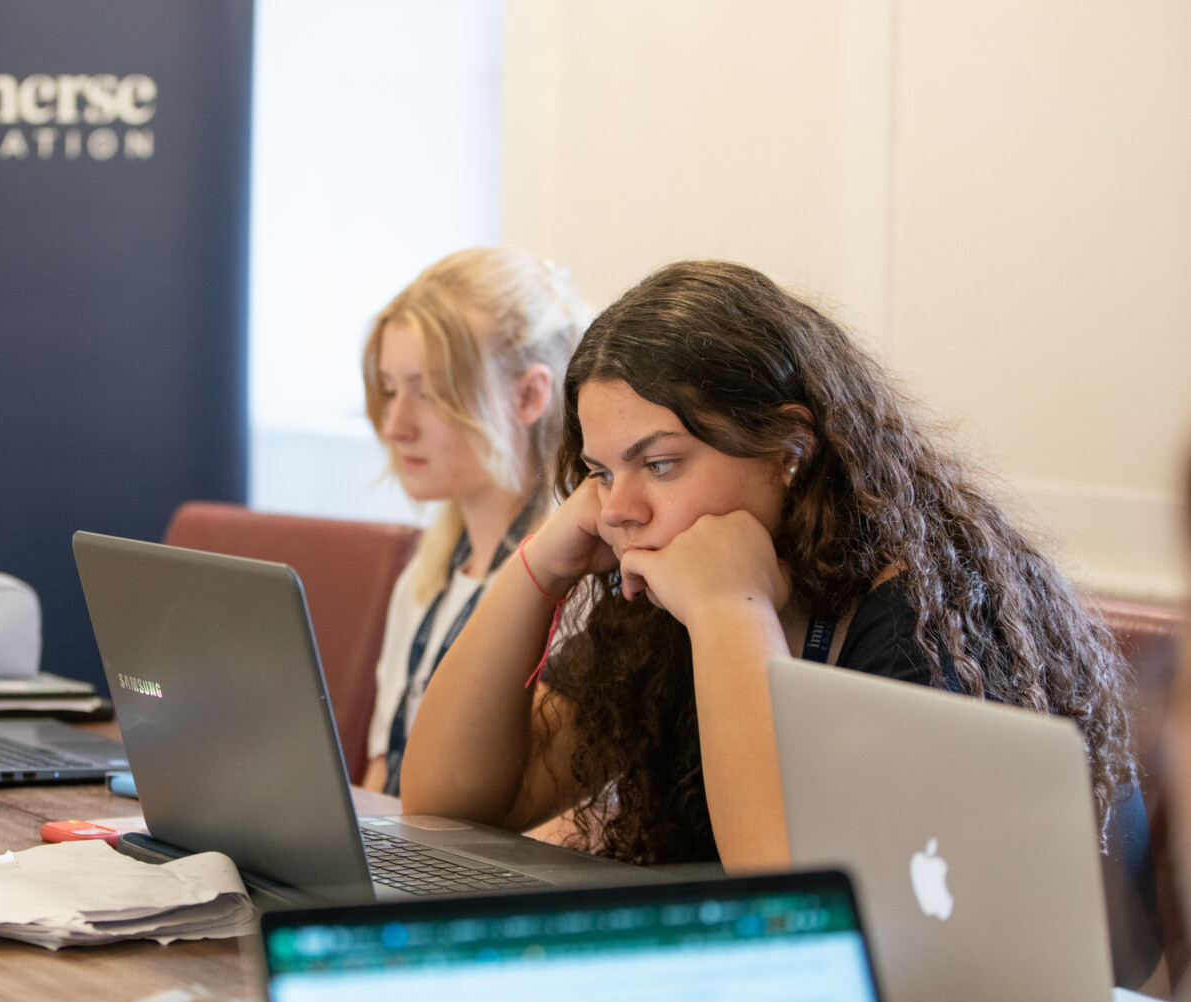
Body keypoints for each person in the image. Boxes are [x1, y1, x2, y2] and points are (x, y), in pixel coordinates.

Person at [401, 259, 1138, 873]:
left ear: (789, 448)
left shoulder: (922, 622)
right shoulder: (661, 599)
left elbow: (796, 904)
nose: (618, 508)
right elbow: (448, 801)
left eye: (659, 463)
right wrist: (540, 565)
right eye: (599, 471)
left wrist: (730, 611)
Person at [357, 247, 592, 796]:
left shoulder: (580, 587)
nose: (394, 424)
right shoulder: (423, 578)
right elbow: (379, 782)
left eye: (431, 392)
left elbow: (558, 821)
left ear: (531, 394)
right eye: (390, 390)